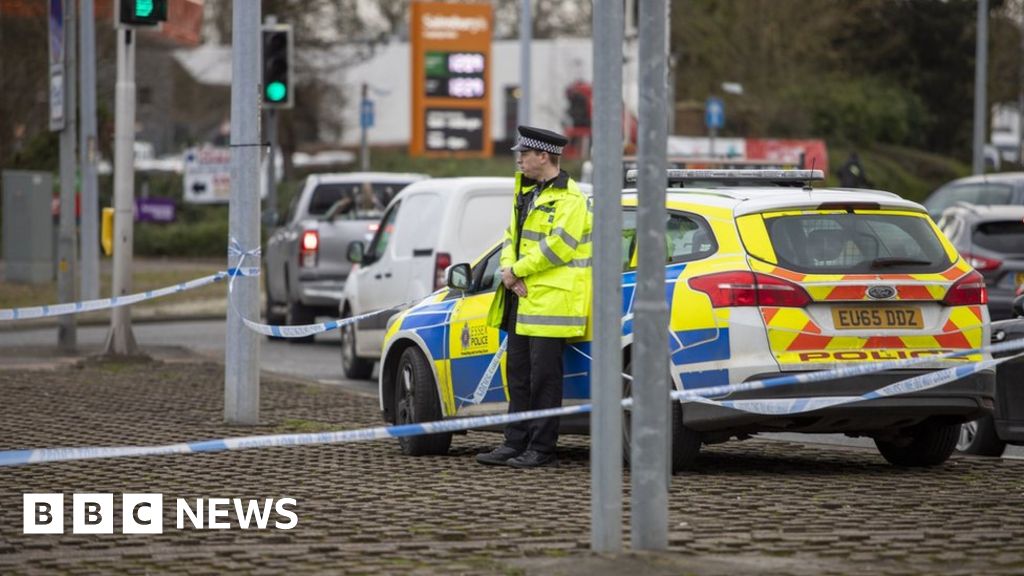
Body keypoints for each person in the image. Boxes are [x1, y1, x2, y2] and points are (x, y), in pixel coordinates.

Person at [476, 126, 593, 469]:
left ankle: (541, 448)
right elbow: (509, 238)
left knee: (544, 380)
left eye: (524, 154)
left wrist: (516, 271)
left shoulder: (570, 200)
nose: (519, 160)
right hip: (521, 299)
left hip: (552, 304)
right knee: (518, 377)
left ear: (543, 156)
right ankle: (514, 442)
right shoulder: (526, 193)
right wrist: (508, 272)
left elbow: (560, 247)